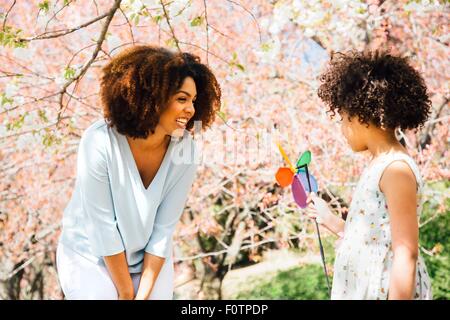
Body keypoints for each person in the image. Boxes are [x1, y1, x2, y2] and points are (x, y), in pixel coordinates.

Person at [56, 45, 221, 300]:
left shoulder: (186, 151)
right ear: (152, 97)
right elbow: (103, 227)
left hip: (148, 262)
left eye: (193, 100)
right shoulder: (99, 141)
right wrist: (124, 293)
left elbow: (163, 230)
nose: (190, 109)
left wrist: (142, 294)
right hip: (90, 256)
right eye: (181, 98)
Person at [309, 50, 433, 300]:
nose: (342, 128)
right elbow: (373, 239)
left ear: (364, 117)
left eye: (344, 119)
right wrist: (331, 220)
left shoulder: (396, 169)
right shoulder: (379, 166)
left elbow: (405, 251)